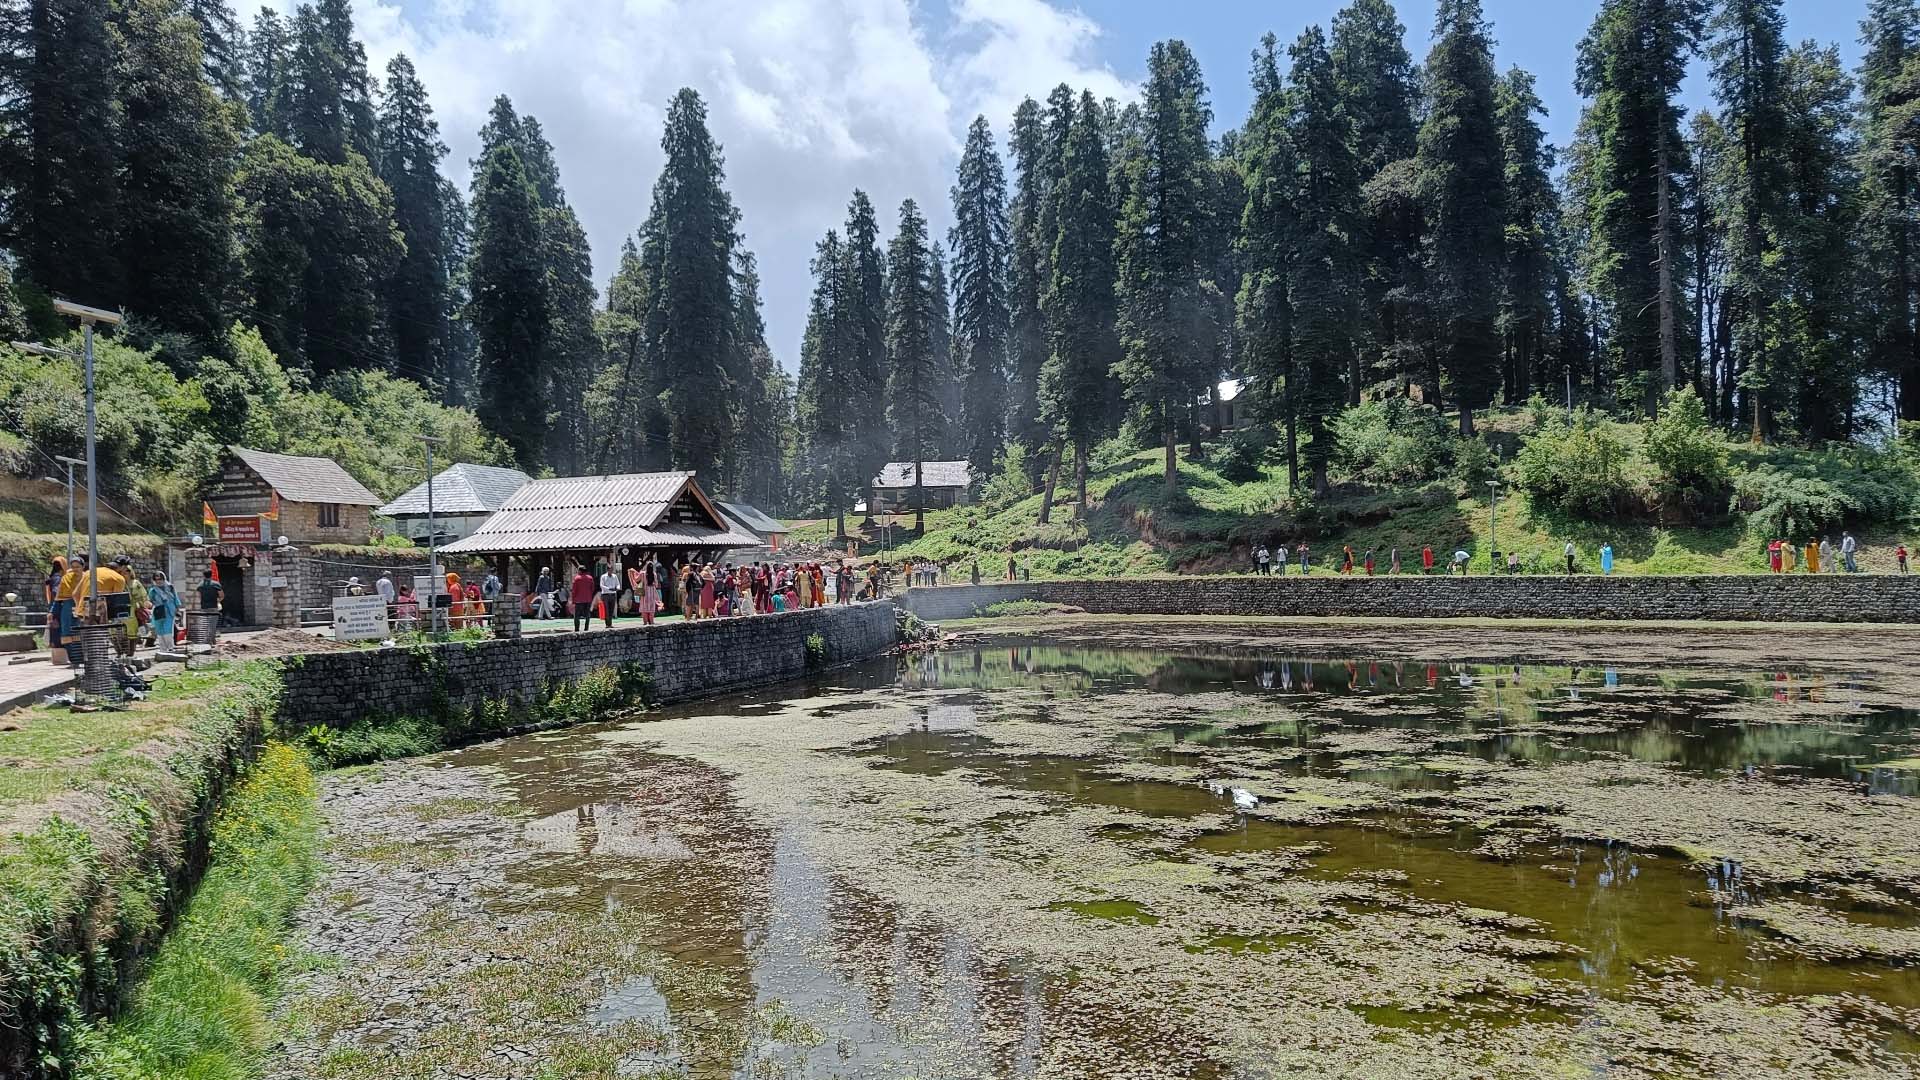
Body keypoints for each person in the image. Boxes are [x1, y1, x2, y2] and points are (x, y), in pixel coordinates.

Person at [146, 572, 179, 648]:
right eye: (156, 579)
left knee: (168, 629)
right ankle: (163, 648)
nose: (158, 581)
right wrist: (148, 604)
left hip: (169, 611)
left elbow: (176, 598)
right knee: (159, 629)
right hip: (158, 611)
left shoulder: (170, 588)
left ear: (164, 579)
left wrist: (177, 609)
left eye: (160, 579)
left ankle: (170, 647)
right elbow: (150, 600)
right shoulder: (153, 590)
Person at [44, 556, 67, 654]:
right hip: (57, 608)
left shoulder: (52, 577)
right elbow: (56, 592)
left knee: (55, 631)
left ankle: (57, 654)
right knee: (58, 631)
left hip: (53, 606)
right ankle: (60, 655)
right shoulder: (58, 578)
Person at [570, 565, 596, 632]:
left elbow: (574, 590)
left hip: (578, 600)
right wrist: (589, 595)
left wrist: (573, 600)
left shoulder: (577, 578)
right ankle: (586, 628)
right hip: (588, 599)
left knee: (577, 615)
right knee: (587, 614)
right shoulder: (590, 578)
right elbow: (592, 588)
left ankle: (577, 629)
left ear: (580, 571)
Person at [598, 563, 619, 627]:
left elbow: (618, 584)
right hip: (605, 595)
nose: (611, 571)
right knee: (606, 609)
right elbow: (601, 585)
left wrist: (617, 588)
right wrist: (609, 588)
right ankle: (607, 624)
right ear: (607, 570)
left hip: (613, 594)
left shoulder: (615, 576)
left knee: (611, 609)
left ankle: (610, 623)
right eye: (610, 569)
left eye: (612, 569)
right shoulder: (603, 576)